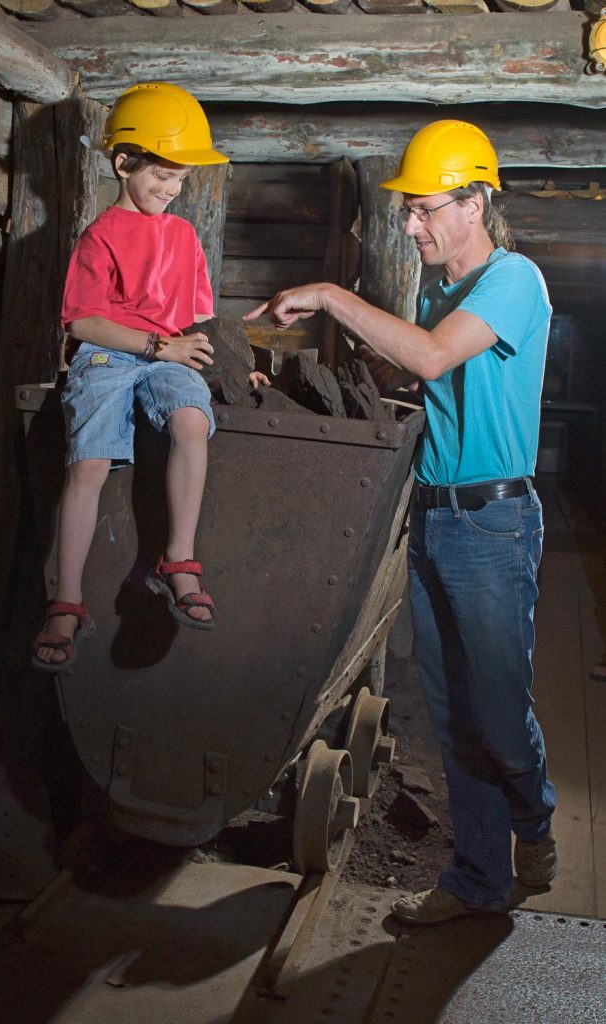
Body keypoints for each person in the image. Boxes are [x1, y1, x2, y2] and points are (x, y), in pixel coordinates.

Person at [245, 120, 557, 925]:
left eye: (423, 211)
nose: (411, 226)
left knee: (497, 711)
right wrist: (356, 352)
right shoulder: (434, 292)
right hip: (436, 517)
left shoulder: (513, 279)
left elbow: (429, 357)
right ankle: (478, 881)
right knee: (453, 716)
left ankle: (536, 812)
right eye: (409, 212)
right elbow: (428, 378)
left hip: (495, 523)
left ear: (475, 201)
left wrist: (331, 295)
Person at [33, 82, 266, 669]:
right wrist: (155, 345)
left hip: (168, 352)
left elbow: (198, 318)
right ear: (122, 163)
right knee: (88, 463)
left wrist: (239, 369)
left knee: (190, 421)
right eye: (160, 174)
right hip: (111, 354)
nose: (169, 189)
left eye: (180, 178)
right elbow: (83, 322)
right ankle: (66, 601)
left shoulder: (184, 236)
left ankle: (179, 562)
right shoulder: (101, 235)